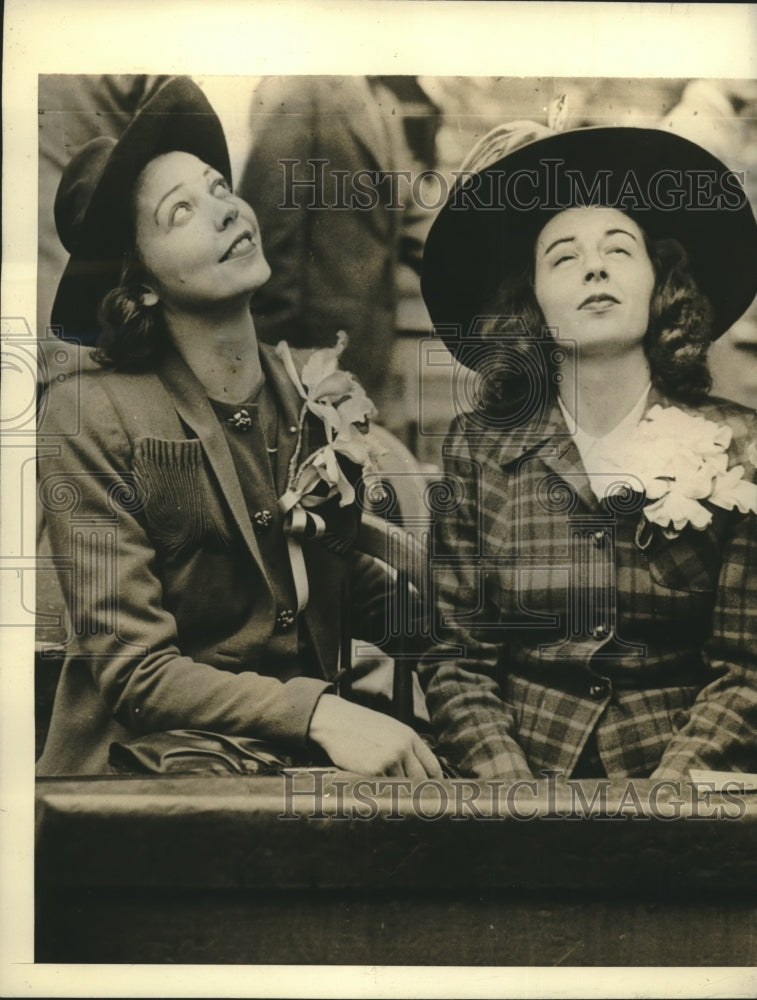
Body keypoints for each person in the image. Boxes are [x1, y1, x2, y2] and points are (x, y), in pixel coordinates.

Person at [36, 76, 441, 781]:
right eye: (181, 211)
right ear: (142, 286)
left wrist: (463, 625)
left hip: (291, 766)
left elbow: (322, 591)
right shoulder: (86, 412)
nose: (225, 211)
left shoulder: (307, 392)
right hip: (136, 780)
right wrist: (320, 714)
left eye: (220, 188)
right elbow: (136, 672)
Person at [418, 117, 757, 782]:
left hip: (686, 785)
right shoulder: (478, 449)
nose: (594, 265)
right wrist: (511, 791)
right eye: (563, 257)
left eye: (619, 249)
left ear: (662, 283)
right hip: (522, 779)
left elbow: (745, 669)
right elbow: (457, 660)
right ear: (533, 301)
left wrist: (674, 793)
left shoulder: (739, 445)